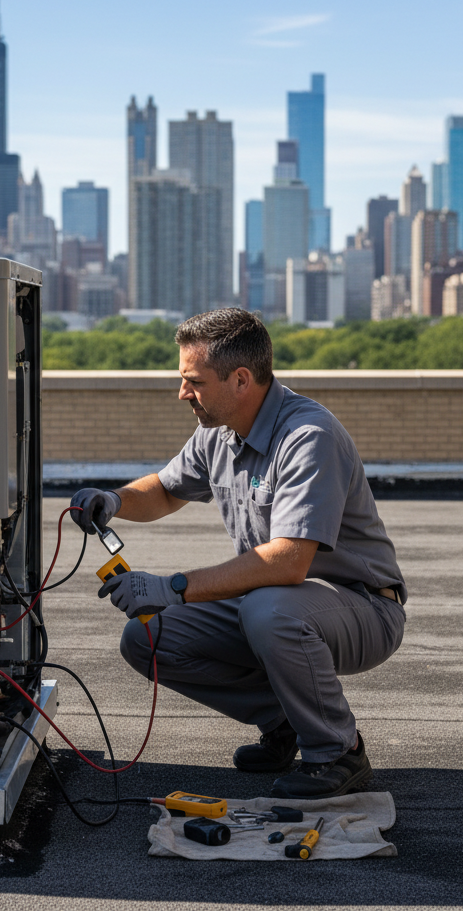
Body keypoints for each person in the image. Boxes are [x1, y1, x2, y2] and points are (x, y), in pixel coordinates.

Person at [70, 308, 406, 798]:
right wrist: (115, 500)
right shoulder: (218, 431)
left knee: (269, 609)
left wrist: (172, 587)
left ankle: (338, 750)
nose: (183, 393)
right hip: (273, 601)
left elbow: (288, 562)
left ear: (241, 380)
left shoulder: (308, 437)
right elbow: (164, 491)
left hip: (365, 608)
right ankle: (285, 721)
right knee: (147, 637)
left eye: (194, 382)